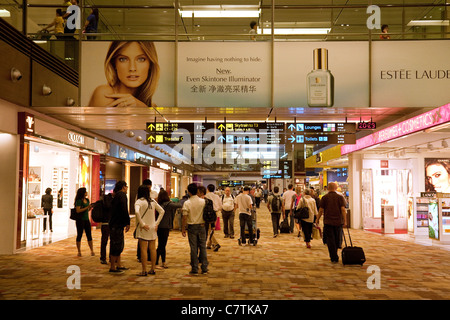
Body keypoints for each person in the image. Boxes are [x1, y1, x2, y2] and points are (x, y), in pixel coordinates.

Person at [88, 41, 160, 108]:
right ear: (114, 64)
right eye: (123, 59)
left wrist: (142, 108)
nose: (132, 68)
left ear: (150, 64)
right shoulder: (104, 94)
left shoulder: (151, 107)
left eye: (141, 59)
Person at [135, 185, 165, 276]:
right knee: (152, 249)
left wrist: (142, 224)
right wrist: (156, 223)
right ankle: (152, 268)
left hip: (143, 228)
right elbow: (162, 211)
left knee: (143, 249)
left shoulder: (139, 202)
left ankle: (144, 270)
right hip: (152, 227)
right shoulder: (152, 201)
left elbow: (136, 212)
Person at [316, 182, 347, 263]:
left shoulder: (325, 198)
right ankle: (335, 252)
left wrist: (317, 219)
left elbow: (321, 210)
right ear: (336, 188)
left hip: (328, 221)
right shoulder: (340, 197)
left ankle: (333, 256)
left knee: (330, 239)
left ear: (328, 188)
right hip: (338, 221)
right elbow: (343, 210)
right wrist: (345, 221)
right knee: (337, 238)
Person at [181, 183, 209, 275]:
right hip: (202, 226)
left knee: (193, 248)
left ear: (188, 192)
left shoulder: (187, 203)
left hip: (192, 227)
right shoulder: (203, 201)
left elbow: (184, 217)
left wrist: (183, 228)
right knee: (203, 247)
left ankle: (195, 268)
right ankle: (204, 267)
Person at [156, 189, 182, 269]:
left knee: (161, 244)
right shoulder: (169, 204)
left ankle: (159, 261)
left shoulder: (158, 204)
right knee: (162, 245)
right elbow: (180, 205)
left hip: (158, 226)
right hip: (165, 226)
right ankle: (158, 262)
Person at [109, 181, 130, 274]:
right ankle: (113, 266)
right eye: (126, 186)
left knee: (118, 244)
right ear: (123, 187)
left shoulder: (117, 195)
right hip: (117, 224)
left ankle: (118, 264)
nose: (127, 188)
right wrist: (127, 222)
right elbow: (124, 209)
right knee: (116, 245)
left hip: (114, 223)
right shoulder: (122, 195)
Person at [74, 187, 95, 257]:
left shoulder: (87, 200)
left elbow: (86, 210)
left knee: (89, 235)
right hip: (80, 220)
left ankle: (92, 250)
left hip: (86, 219)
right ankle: (79, 251)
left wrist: (90, 208)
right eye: (85, 192)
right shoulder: (79, 201)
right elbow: (78, 210)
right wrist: (87, 207)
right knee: (79, 235)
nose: (86, 193)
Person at [204, 184, 222, 252]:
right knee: (212, 229)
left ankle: (216, 243)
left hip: (208, 214)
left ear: (207, 189)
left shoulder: (206, 196)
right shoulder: (217, 196)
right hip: (215, 213)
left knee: (209, 230)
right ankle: (209, 244)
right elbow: (220, 206)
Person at [100, 191, 114, 265]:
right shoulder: (112, 201)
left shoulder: (104, 200)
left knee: (104, 241)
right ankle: (111, 258)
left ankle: (103, 258)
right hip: (110, 223)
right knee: (112, 241)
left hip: (104, 223)